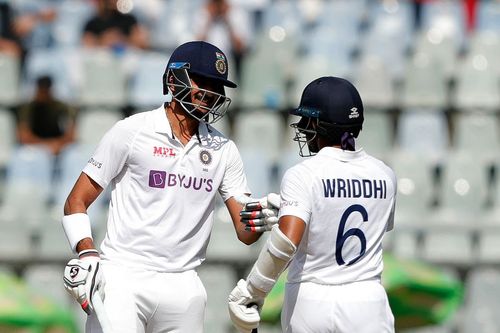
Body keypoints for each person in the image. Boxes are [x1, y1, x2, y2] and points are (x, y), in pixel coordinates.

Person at [61, 41, 279, 333]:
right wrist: (87, 253)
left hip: (184, 286)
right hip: (124, 277)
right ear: (174, 79)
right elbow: (76, 201)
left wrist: (264, 214)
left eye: (217, 85)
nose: (211, 93)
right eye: (203, 81)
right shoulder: (132, 131)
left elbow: (245, 234)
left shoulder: (224, 149)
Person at [228, 77, 397, 332]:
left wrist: (253, 290)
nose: (303, 128)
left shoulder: (303, 174)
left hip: (312, 300)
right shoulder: (386, 175)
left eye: (306, 121)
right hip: (367, 301)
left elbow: (287, 241)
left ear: (317, 124)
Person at [17, 75, 76, 155]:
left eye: (46, 91)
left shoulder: (61, 108)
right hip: (34, 149)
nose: (44, 95)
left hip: (58, 148)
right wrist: (46, 145)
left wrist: (58, 144)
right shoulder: (28, 109)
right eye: (41, 91)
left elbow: (71, 135)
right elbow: (24, 136)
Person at [194, 0, 252, 80]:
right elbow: (196, 46)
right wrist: (209, 20)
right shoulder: (203, 12)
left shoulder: (236, 13)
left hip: (228, 65)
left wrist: (228, 20)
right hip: (206, 65)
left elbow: (240, 48)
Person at [82, 0, 149, 51]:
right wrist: (102, 41)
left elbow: (142, 43)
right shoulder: (92, 23)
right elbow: (87, 47)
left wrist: (121, 41)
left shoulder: (129, 20)